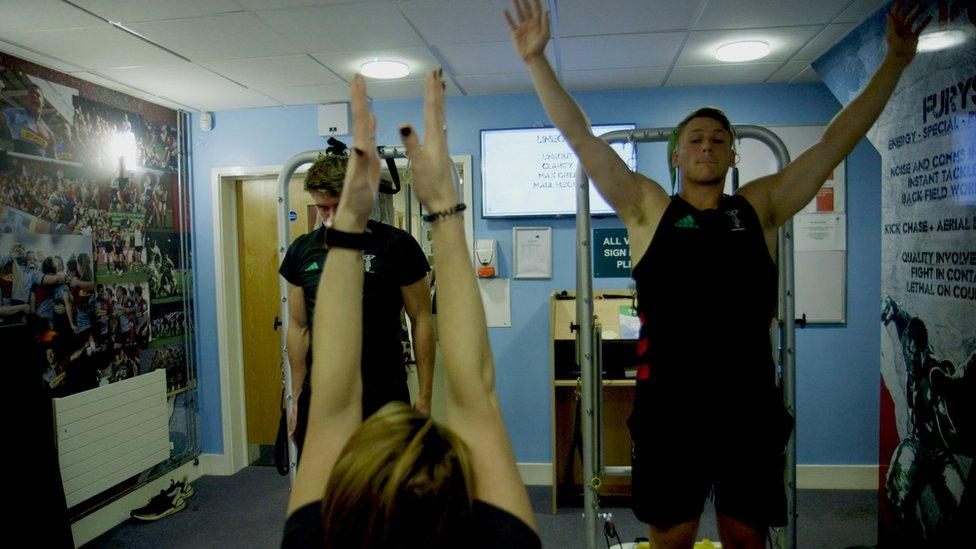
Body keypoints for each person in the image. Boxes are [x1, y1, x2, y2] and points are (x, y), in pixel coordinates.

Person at [505, 0, 929, 546]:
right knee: (672, 541)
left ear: (732, 157)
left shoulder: (761, 207)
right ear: (676, 155)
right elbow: (583, 140)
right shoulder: (648, 208)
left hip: (747, 407)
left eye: (719, 139)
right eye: (696, 139)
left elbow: (833, 144)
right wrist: (538, 62)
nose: (707, 145)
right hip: (671, 412)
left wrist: (893, 62)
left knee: (746, 539)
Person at [282, 71, 539, 548]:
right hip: (342, 389)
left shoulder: (313, 538)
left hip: (385, 387)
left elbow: (420, 324)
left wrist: (349, 227)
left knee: (329, 418)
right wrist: (444, 207)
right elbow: (476, 397)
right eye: (321, 207)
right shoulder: (500, 542)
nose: (325, 213)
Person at [279, 134, 435, 461]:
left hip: (383, 394)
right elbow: (298, 329)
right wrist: (296, 400)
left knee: (386, 491)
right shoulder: (302, 251)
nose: (332, 216)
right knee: (327, 495)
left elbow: (421, 320)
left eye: (340, 206)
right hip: (322, 397)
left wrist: (424, 395)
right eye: (323, 207)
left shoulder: (396, 245)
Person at [881, 295, 973, 543]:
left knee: (958, 507)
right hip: (916, 445)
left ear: (923, 350)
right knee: (895, 495)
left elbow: (957, 379)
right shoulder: (912, 355)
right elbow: (905, 326)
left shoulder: (933, 372)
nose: (910, 359)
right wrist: (894, 309)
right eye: (908, 351)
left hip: (939, 453)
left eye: (914, 353)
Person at [0, 83, 58, 158]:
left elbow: (54, 161)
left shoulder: (49, 133)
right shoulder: (14, 114)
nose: (34, 96)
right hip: (13, 166)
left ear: (43, 103)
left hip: (36, 168)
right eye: (30, 94)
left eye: (37, 94)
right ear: (27, 100)